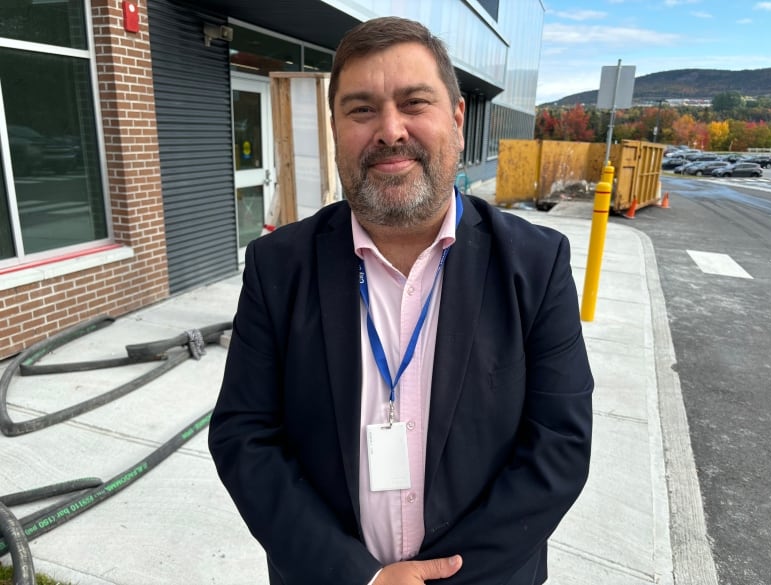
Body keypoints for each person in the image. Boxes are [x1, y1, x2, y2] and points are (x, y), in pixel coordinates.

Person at [208, 16, 593, 585]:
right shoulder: (278, 267)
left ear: (457, 120)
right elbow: (244, 437)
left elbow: (559, 447)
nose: (390, 130)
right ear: (335, 126)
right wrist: (357, 576)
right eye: (362, 109)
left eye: (414, 103)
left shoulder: (536, 265)